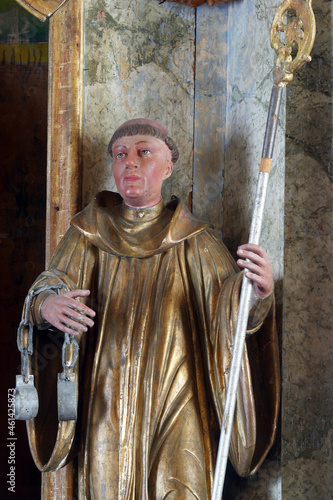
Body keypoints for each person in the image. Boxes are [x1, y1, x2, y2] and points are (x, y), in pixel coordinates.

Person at [24, 118, 279, 499]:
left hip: (178, 398)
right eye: (120, 154)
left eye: (144, 152)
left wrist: (258, 293)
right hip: (106, 398)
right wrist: (46, 305)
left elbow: (231, 313)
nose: (130, 162)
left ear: (169, 165)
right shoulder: (89, 232)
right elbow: (47, 287)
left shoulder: (194, 238)